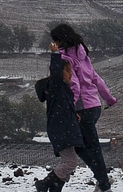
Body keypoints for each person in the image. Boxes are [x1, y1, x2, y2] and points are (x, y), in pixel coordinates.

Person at [50, 23, 117, 192]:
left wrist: (70, 108)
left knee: (83, 148)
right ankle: (102, 181)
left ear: (60, 40)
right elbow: (96, 78)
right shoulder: (81, 53)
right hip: (94, 106)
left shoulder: (66, 58)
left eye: (55, 40)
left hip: (81, 109)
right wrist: (109, 98)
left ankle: (103, 184)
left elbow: (74, 86)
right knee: (90, 148)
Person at [34, 44, 84, 192]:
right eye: (67, 71)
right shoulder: (56, 86)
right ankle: (44, 184)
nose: (71, 74)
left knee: (68, 161)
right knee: (71, 162)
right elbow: (55, 73)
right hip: (61, 130)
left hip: (64, 129)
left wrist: (74, 116)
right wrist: (55, 54)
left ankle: (55, 187)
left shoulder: (63, 90)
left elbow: (65, 108)